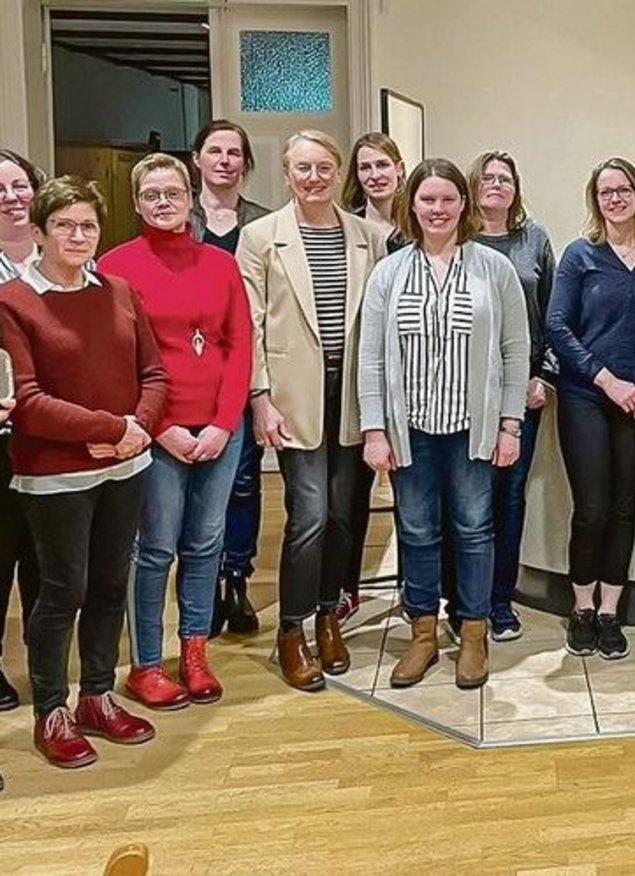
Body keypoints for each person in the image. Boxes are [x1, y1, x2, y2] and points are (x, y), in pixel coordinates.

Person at [0, 176, 168, 768]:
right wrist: (111, 428)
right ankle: (52, 708)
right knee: (60, 590)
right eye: (65, 225)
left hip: (127, 466)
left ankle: (97, 695)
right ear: (40, 231)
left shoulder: (119, 290)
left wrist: (136, 430)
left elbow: (155, 374)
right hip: (54, 476)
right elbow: (28, 399)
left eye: (88, 226)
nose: (78, 236)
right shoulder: (13, 302)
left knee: (107, 585)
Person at [359, 158, 529, 689]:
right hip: (410, 429)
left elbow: (515, 349)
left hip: (470, 429)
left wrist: (510, 424)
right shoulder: (389, 272)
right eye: (428, 200)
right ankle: (424, 635)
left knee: (475, 530)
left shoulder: (492, 269)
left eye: (447, 199)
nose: (437, 209)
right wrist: (374, 429)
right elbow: (370, 357)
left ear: (464, 205)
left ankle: (473, 634)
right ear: (412, 205)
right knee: (416, 531)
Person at [97, 154, 252, 710]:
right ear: (136, 203)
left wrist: (224, 424)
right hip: (157, 431)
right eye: (152, 194)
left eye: (174, 193)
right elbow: (116, 360)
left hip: (218, 428)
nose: (164, 202)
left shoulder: (220, 264)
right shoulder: (115, 267)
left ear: (191, 199)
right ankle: (144, 663)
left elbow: (239, 347)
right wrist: (160, 428)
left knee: (206, 543)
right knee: (156, 547)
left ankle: (193, 650)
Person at [237, 130, 388, 691]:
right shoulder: (259, 237)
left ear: (338, 171)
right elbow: (249, 323)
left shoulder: (368, 236)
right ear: (287, 174)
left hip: (350, 393)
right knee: (310, 516)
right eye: (303, 168)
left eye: (324, 167)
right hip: (292, 394)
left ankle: (330, 613)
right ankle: (291, 629)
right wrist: (260, 397)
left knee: (348, 515)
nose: (315, 178)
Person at [547, 157, 635, 660]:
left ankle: (612, 610)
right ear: (595, 202)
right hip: (588, 396)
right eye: (605, 193)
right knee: (591, 508)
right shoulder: (580, 255)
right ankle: (582, 608)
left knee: (623, 507)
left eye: (623, 190)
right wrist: (607, 379)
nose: (615, 199)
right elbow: (557, 326)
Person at [463, 150, 557, 641]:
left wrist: (545, 377)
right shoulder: (457, 241)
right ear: (473, 186)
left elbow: (554, 315)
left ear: (515, 189)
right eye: (488, 178)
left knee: (509, 499)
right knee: (468, 502)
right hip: (465, 393)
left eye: (505, 179)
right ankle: (465, 602)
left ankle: (500, 602)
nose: (496, 185)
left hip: (523, 391)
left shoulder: (533, 239)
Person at [188, 120, 270, 637]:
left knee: (242, 480)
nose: (224, 161)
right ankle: (201, 586)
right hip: (188, 374)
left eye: (234, 153)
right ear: (197, 158)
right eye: (214, 151)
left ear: (245, 163)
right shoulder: (178, 216)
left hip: (244, 365)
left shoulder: (262, 224)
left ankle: (236, 578)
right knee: (196, 486)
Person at [333, 132, 410, 622]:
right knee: (349, 495)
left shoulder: (420, 225)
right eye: (364, 168)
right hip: (358, 372)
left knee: (411, 493)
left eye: (382, 165)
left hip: (410, 377)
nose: (374, 175)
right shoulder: (346, 229)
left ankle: (413, 588)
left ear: (400, 169)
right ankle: (345, 587)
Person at [0, 149, 44, 711]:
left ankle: (45, 655)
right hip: (0, 435)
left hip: (52, 434)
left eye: (19, 184)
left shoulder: (64, 256)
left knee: (47, 555)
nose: (11, 197)